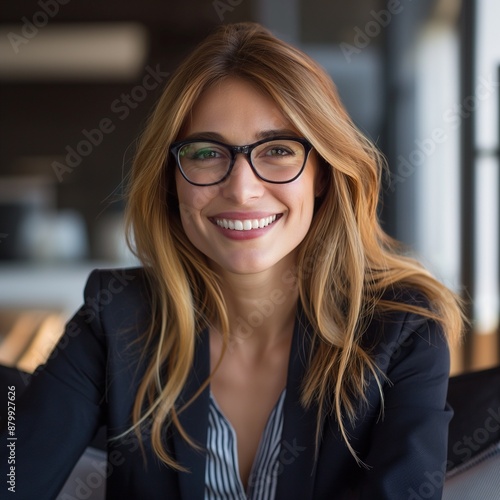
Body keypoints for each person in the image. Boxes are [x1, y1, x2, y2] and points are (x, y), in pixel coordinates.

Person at [0, 22, 463, 499]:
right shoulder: (114, 317)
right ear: (171, 178)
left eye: (279, 150)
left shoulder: (402, 330)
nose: (242, 189)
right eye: (205, 152)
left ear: (323, 174)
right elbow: (15, 476)